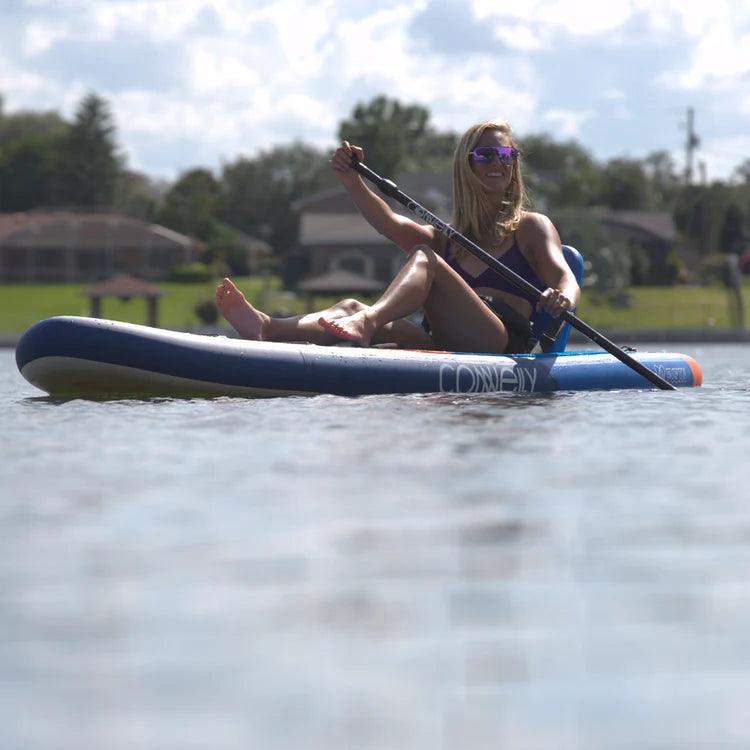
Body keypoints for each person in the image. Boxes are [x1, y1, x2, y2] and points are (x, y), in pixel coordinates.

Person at [216, 118, 580, 354]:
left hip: (500, 342)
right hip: (442, 344)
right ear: (465, 165)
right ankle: (269, 328)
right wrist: (351, 180)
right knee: (349, 307)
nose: (498, 162)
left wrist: (562, 297)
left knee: (423, 260)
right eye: (486, 155)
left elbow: (565, 276)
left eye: (506, 154)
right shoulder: (448, 239)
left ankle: (367, 323)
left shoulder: (531, 226)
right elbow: (388, 223)